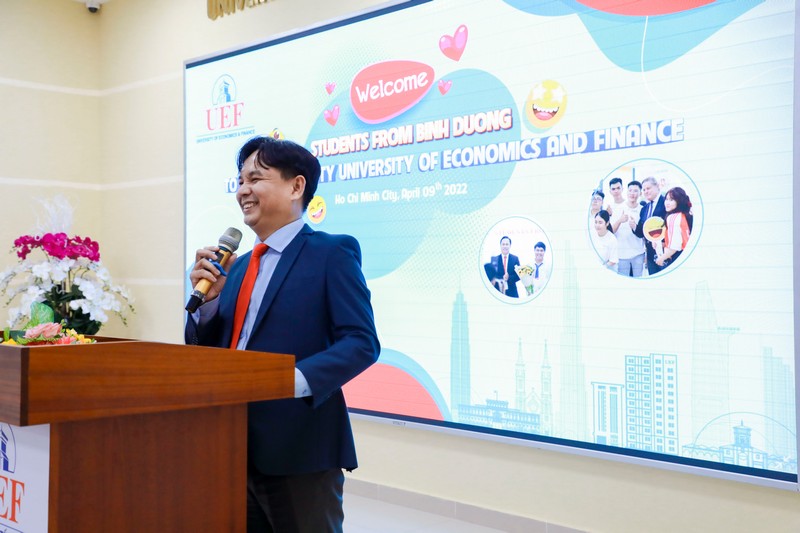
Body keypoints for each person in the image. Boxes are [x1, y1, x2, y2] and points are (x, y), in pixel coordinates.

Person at [185, 135, 380, 532]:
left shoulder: (331, 253)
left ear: (296, 186)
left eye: (255, 178)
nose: (243, 191)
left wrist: (288, 380)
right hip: (230, 443)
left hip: (299, 448)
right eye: (240, 181)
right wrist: (207, 305)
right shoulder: (237, 266)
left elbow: (361, 342)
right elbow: (213, 347)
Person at [633, 176, 666, 275]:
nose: (646, 191)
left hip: (665, 252)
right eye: (644, 190)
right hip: (650, 254)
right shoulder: (644, 209)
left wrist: (663, 242)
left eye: (648, 188)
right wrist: (633, 226)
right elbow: (641, 232)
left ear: (657, 186)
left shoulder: (666, 203)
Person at [612, 180, 645, 277]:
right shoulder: (618, 209)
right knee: (624, 282)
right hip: (622, 254)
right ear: (626, 192)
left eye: (635, 191)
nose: (632, 193)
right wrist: (619, 221)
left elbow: (644, 233)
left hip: (639, 253)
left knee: (638, 280)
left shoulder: (643, 209)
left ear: (640, 193)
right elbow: (611, 231)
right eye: (630, 190)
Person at [656, 186, 693, 268]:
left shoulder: (673, 218)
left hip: (678, 257)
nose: (667, 203)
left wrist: (662, 258)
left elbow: (675, 246)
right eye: (666, 199)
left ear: (679, 201)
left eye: (671, 200)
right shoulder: (684, 215)